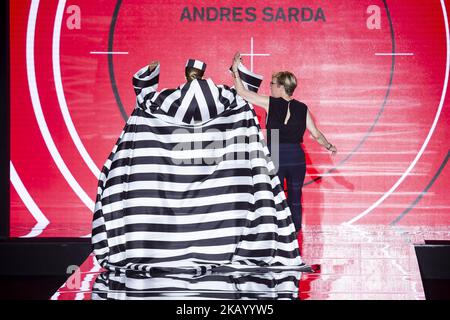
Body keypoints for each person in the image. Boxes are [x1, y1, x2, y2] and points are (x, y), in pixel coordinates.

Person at [231, 52, 337, 231]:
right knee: (295, 197)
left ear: (280, 87)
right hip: (297, 156)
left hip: (276, 154)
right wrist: (329, 146)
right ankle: (294, 235)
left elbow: (241, 92)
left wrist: (235, 70)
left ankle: (277, 235)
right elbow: (316, 134)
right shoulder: (303, 108)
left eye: (272, 84)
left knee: (273, 196)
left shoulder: (270, 103)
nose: (270, 87)